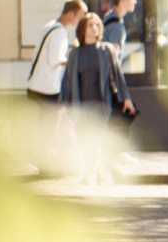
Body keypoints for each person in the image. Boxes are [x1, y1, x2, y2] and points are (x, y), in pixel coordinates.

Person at [57, 13, 136, 181]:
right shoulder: (75, 54)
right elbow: (67, 81)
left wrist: (126, 98)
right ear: (83, 29)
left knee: (97, 138)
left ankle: (89, 173)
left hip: (102, 104)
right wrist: (64, 104)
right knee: (85, 139)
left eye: (97, 25)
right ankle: (94, 169)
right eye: (91, 25)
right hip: (81, 104)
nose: (95, 28)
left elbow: (118, 74)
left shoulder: (106, 50)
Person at [26, 0, 85, 105]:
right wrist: (75, 60)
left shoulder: (50, 26)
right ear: (71, 14)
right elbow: (55, 59)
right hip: (47, 89)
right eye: (80, 16)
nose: (80, 20)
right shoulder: (60, 32)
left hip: (36, 84)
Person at [99, 0, 139, 64]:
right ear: (123, 1)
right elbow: (113, 55)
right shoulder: (117, 25)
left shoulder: (109, 16)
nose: (135, 2)